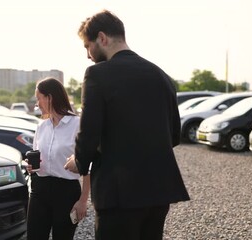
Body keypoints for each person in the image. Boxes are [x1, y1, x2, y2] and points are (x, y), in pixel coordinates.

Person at [64, 9, 190, 240]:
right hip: (159, 191)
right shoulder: (161, 75)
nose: (88, 55)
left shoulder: (97, 74)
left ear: (102, 38)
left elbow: (89, 132)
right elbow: (174, 136)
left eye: (87, 46)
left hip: (118, 194)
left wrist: (79, 161)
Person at [26, 77, 90, 240]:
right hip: (39, 189)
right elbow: (38, 159)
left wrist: (83, 200)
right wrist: (31, 167)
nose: (37, 104)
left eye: (38, 98)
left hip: (66, 192)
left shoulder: (77, 125)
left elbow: (89, 165)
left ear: (49, 98)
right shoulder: (41, 126)